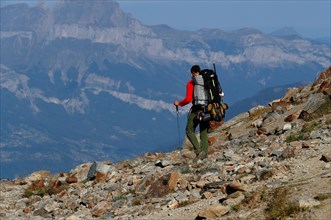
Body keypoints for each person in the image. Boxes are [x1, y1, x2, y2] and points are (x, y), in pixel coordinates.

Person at [174, 65, 209, 162]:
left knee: (189, 130)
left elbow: (188, 99)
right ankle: (204, 155)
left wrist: (179, 103)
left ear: (192, 73)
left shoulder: (191, 83)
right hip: (208, 109)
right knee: (203, 131)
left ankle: (198, 151)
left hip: (197, 110)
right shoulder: (206, 81)